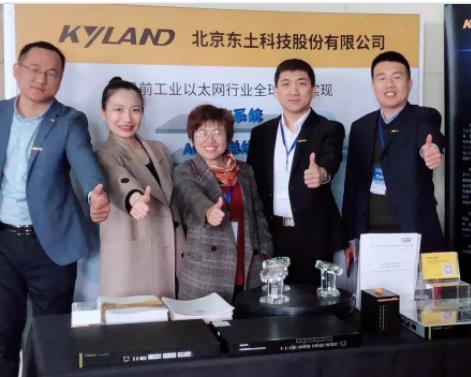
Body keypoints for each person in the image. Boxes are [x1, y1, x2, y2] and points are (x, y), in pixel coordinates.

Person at [0, 41, 110, 377]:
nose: (41, 78)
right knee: (3, 340)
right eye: (33, 68)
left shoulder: (68, 120)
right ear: (16, 70)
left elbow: (84, 162)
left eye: (51, 72)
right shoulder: (0, 114)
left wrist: (97, 192)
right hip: (3, 245)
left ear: (61, 80)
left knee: (49, 343)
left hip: (50, 248)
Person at [342, 50, 445, 273]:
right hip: (370, 236)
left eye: (397, 77)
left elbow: (430, 137)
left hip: (414, 231)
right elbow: (352, 188)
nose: (389, 84)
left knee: (419, 294)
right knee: (374, 295)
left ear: (409, 83)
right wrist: (350, 236)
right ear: (373, 85)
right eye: (382, 78)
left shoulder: (423, 116)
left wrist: (431, 150)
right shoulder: (360, 127)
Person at [247, 58, 346, 285]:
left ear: (314, 89)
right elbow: (253, 184)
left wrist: (322, 174)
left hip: (314, 236)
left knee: (315, 301)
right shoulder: (261, 133)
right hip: (271, 236)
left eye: (301, 83)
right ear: (275, 91)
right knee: (273, 299)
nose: (294, 91)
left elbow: (330, 162)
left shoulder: (329, 129)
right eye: (286, 84)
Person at [173, 104, 273, 302]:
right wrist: (208, 210)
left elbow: (258, 214)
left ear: (228, 136)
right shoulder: (185, 171)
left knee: (247, 320)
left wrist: (265, 252)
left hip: (248, 266)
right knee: (204, 322)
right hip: (206, 271)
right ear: (192, 137)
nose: (210, 140)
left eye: (217, 132)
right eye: (202, 132)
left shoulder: (244, 171)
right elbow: (191, 195)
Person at [97, 77, 184, 298]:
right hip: (132, 259)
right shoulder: (104, 154)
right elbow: (116, 177)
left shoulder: (159, 149)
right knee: (134, 317)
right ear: (103, 112)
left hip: (173, 252)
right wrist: (134, 198)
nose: (127, 118)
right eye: (118, 109)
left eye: (135, 110)